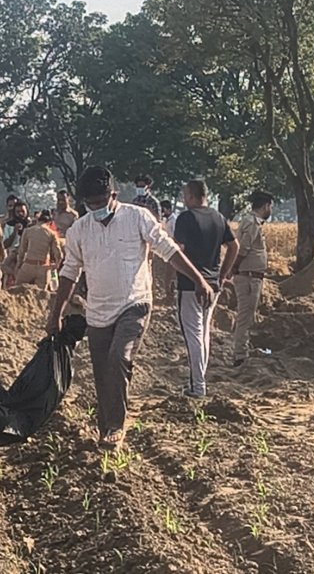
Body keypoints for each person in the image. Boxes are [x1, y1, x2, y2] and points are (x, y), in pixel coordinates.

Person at [45, 166, 213, 451]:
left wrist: (198, 280)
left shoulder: (137, 217)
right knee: (102, 372)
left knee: (118, 357)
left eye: (100, 202)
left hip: (135, 303)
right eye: (90, 204)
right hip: (97, 312)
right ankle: (106, 429)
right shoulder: (79, 230)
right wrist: (56, 314)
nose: (96, 208)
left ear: (113, 195)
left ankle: (116, 426)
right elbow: (69, 273)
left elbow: (169, 250)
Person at [173, 180, 239, 398]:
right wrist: (223, 275)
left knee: (193, 334)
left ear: (192, 196)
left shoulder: (185, 218)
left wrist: (170, 277)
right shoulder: (218, 217)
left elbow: (177, 250)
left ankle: (198, 386)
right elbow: (234, 246)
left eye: (185, 195)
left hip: (190, 284)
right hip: (213, 284)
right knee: (204, 333)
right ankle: (199, 382)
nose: (184, 199)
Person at [231, 190, 273, 366]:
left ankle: (243, 349)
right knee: (245, 317)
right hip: (248, 278)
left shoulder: (253, 222)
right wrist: (233, 267)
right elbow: (243, 249)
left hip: (251, 277)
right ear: (265, 206)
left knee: (248, 316)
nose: (271, 210)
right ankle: (240, 355)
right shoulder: (252, 223)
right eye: (270, 206)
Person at [16, 210, 62, 289]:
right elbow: (59, 254)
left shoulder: (28, 231)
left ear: (38, 220)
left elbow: (21, 251)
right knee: (41, 294)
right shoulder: (51, 233)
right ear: (49, 222)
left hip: (28, 265)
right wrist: (56, 265)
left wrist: (19, 265)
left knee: (17, 290)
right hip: (43, 267)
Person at [1, 200, 30, 286]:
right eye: (18, 212)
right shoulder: (9, 225)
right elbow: (5, 245)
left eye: (22, 211)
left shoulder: (32, 226)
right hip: (13, 258)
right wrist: (15, 232)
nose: (20, 214)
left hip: (28, 258)